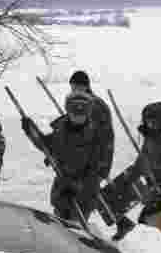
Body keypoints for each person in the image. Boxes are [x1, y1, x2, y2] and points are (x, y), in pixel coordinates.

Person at [22, 92, 103, 223]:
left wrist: (76, 186)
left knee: (76, 231)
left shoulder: (95, 136)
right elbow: (46, 146)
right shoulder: (61, 131)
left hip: (83, 196)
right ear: (68, 110)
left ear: (88, 112)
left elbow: (96, 171)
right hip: (62, 192)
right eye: (74, 111)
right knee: (60, 230)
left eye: (82, 112)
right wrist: (31, 131)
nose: (78, 116)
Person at [111, 101, 161, 241]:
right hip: (151, 183)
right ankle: (125, 227)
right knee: (117, 197)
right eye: (147, 121)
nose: (149, 124)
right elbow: (143, 159)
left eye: (153, 121)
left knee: (148, 223)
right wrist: (131, 176)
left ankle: (148, 250)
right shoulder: (152, 135)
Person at [68, 70, 114, 182]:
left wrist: (103, 167)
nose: (74, 91)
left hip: (94, 164)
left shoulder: (96, 106)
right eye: (72, 89)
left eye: (76, 88)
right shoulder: (77, 104)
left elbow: (106, 138)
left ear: (85, 87)